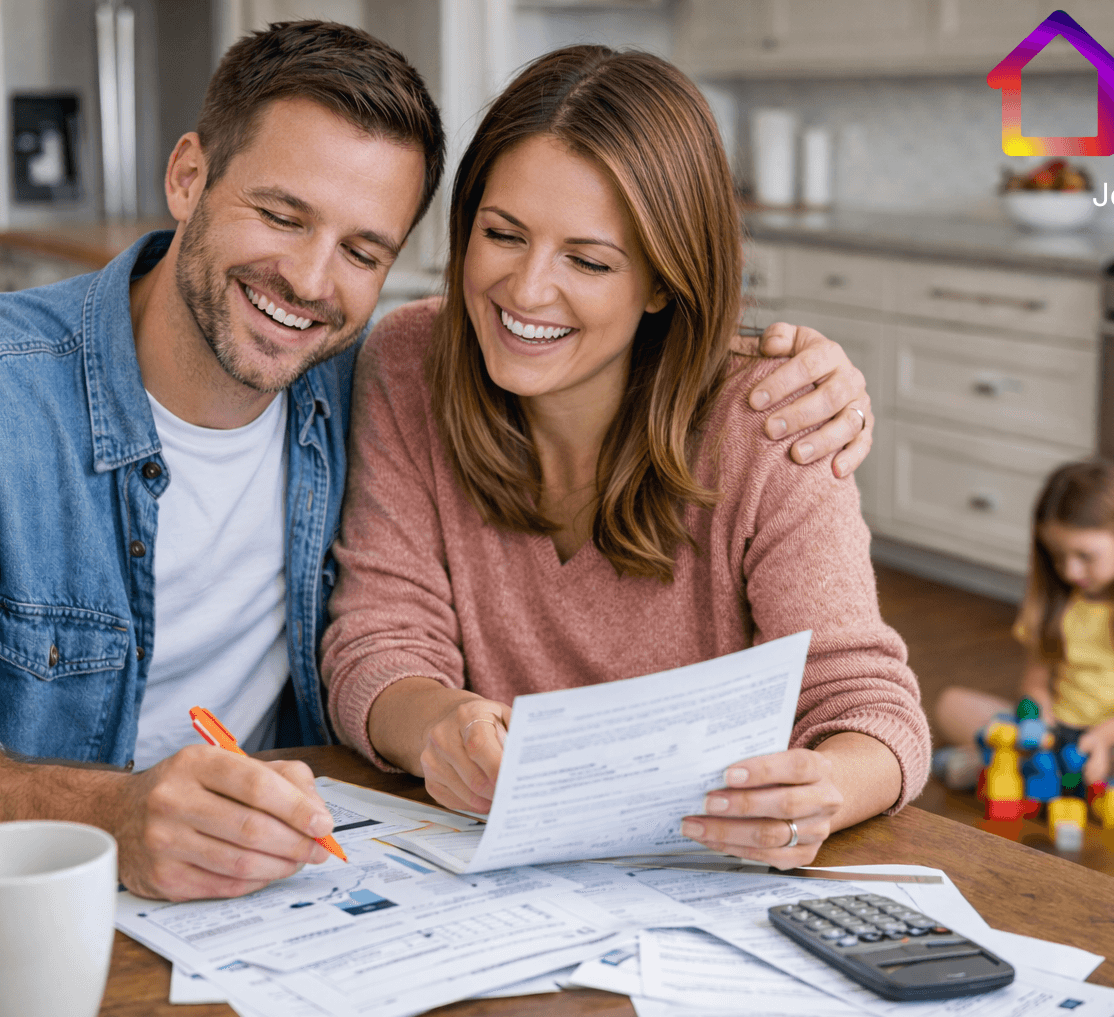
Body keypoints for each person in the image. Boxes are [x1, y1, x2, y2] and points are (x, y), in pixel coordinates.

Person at [0, 22, 875, 897]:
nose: (310, 281)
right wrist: (111, 815)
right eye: (280, 214)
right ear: (188, 176)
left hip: (284, 902)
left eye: (363, 250)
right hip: (13, 906)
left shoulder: (368, 371)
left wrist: (805, 366)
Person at [321, 45, 930, 870]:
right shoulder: (407, 362)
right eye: (502, 235)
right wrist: (437, 727)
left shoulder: (774, 417)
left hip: (705, 880)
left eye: (588, 260)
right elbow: (379, 642)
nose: (527, 290)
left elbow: (868, 705)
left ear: (660, 279)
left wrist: (820, 790)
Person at [932, 460, 1114, 802]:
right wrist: (1039, 721)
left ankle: (1022, 767)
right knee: (949, 706)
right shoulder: (1054, 598)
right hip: (1060, 733)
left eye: (1085, 556)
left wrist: (1102, 739)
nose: (1070, 570)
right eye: (1057, 556)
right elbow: (1035, 685)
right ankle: (1065, 771)